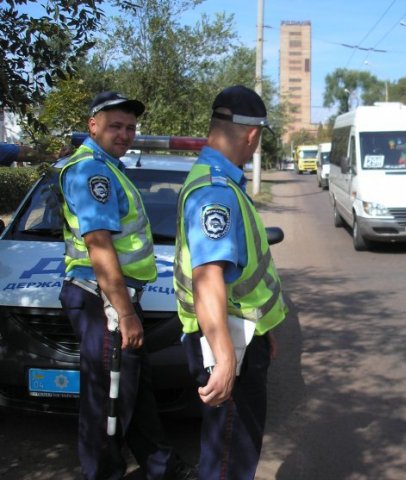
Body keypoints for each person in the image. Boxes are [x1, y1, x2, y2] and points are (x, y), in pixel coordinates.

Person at [58, 91, 196, 480]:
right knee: (106, 400)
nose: (125, 134)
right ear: (93, 125)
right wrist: (125, 312)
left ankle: (161, 467)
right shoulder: (91, 171)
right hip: (102, 302)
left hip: (110, 301)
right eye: (115, 125)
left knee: (134, 389)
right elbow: (99, 247)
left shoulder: (109, 167)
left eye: (130, 127)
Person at [174, 85, 288, 480]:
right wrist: (225, 357)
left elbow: (238, 277)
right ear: (253, 135)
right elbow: (207, 277)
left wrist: (263, 331)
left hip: (241, 335)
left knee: (229, 450)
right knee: (229, 459)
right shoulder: (215, 192)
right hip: (228, 344)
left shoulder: (220, 181)